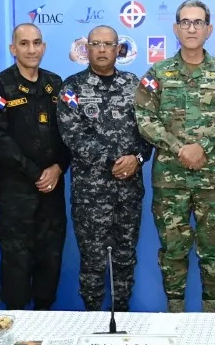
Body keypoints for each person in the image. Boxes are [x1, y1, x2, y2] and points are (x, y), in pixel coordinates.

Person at [135, 0, 215, 312]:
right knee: (173, 251)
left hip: (214, 182)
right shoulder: (158, 73)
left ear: (208, 29)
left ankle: (211, 315)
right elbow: (144, 118)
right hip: (170, 181)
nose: (191, 28)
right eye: (185, 22)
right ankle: (175, 315)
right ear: (176, 28)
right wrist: (178, 148)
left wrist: (204, 145)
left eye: (198, 22)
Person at [58, 25, 149, 312]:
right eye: (95, 44)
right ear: (86, 48)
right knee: (93, 262)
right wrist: (115, 161)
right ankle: (93, 321)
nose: (101, 49)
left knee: (125, 259)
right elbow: (72, 136)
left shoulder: (134, 85)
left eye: (108, 44)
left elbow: (149, 131)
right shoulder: (72, 87)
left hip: (129, 193)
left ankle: (123, 317)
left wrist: (137, 159)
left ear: (118, 49)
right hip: (91, 196)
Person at [0, 23, 70, 309]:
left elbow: (70, 133)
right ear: (13, 49)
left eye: (36, 43)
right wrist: (35, 173)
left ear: (43, 47)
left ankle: (45, 319)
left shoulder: (56, 84)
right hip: (16, 192)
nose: (31, 49)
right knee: (16, 263)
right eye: (24, 43)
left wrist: (58, 167)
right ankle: (16, 323)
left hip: (52, 190)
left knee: (51, 259)